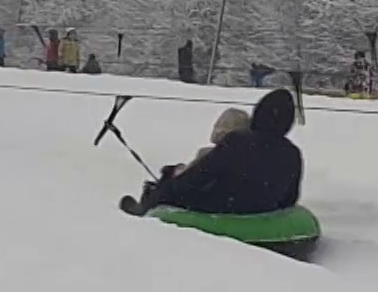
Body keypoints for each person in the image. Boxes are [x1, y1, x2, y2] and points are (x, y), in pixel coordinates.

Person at [121, 89, 303, 216]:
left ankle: (143, 209)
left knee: (172, 179)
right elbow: (289, 199)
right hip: (262, 209)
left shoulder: (238, 142)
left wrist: (170, 181)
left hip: (223, 205)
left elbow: (198, 176)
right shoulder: (293, 154)